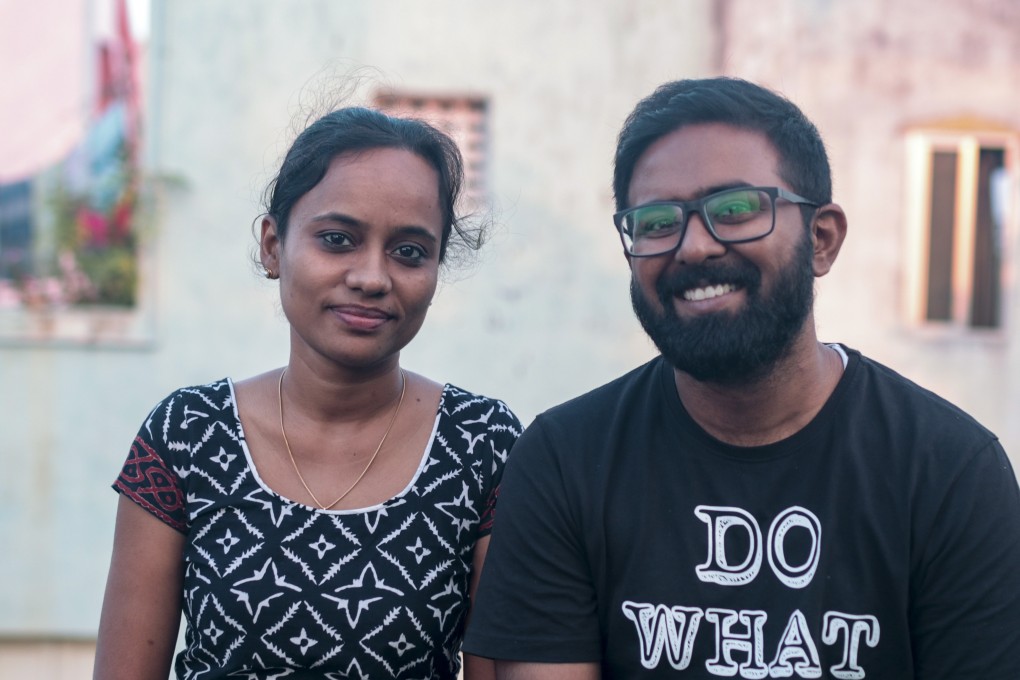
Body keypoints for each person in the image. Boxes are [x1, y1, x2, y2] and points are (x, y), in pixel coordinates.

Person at [462, 77, 1020, 679]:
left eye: (734, 210)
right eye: (655, 222)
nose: (693, 247)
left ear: (822, 239)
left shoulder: (949, 470)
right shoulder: (564, 463)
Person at [94, 106, 521, 679]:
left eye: (410, 251)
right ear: (274, 245)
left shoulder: (483, 446)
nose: (372, 277)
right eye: (338, 239)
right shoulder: (187, 436)